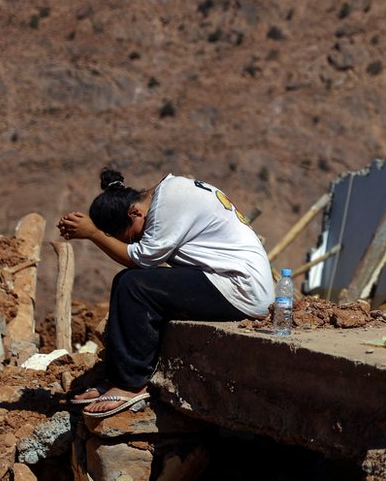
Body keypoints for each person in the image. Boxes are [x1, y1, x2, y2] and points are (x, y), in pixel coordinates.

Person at [58, 168, 274, 417]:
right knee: (129, 282)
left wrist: (94, 234)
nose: (137, 241)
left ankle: (130, 384)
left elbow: (140, 260)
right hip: (227, 280)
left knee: (133, 285)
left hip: (241, 288)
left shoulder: (169, 202)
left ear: (134, 212)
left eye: (134, 236)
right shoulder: (169, 194)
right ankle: (118, 377)